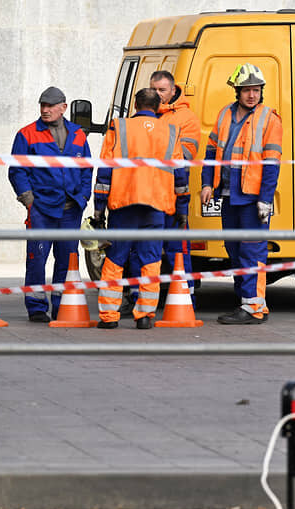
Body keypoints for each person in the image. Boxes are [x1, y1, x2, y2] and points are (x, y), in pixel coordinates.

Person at [93, 88, 188, 330]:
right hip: (156, 207)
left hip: (123, 205)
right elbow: (180, 175)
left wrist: (98, 209)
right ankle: (145, 316)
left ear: (135, 105)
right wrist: (182, 209)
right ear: (158, 108)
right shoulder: (170, 131)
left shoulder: (118, 127)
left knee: (115, 260)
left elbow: (105, 171)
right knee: (151, 261)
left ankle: (109, 317)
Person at [200, 64, 283, 325]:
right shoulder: (225, 114)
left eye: (256, 90)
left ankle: (253, 308)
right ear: (237, 91)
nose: (252, 95)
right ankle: (247, 302)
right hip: (229, 194)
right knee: (234, 250)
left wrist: (265, 199)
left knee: (252, 252)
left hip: (251, 197)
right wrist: (206, 184)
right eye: (247, 90)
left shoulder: (269, 118)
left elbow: (271, 163)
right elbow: (211, 153)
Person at [122, 71, 202, 315]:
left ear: (173, 90)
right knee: (141, 248)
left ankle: (184, 300)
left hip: (172, 194)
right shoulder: (143, 116)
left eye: (161, 91)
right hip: (144, 193)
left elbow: (186, 156)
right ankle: (140, 298)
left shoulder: (187, 118)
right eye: (153, 90)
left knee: (178, 249)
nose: (156, 95)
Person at [9, 86, 92, 323]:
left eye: (50, 106)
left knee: (66, 260)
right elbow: (17, 171)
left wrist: (84, 197)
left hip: (71, 208)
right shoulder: (27, 134)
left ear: (63, 108)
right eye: (42, 106)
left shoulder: (78, 134)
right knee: (37, 257)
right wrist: (29, 200)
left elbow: (86, 169)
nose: (45, 110)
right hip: (42, 208)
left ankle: (60, 305)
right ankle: (36, 307)